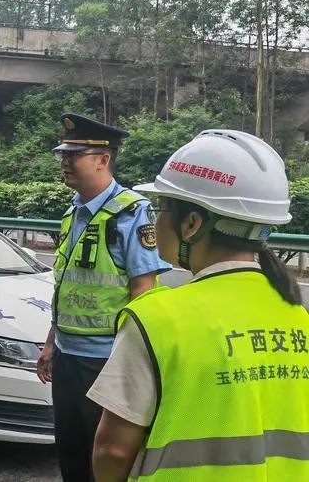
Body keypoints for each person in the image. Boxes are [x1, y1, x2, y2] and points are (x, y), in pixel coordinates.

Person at [90, 130, 309, 481]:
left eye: (161, 208)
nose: (155, 221)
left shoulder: (155, 320)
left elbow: (112, 451)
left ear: (192, 224)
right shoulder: (297, 315)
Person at [34, 113, 169, 482]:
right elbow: (67, 287)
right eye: (62, 155)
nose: (65, 162)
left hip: (105, 361)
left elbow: (144, 292)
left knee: (106, 461)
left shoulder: (131, 213)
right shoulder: (72, 213)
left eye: (74, 155)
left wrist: (131, 362)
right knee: (71, 453)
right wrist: (51, 343)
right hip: (67, 356)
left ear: (103, 159)